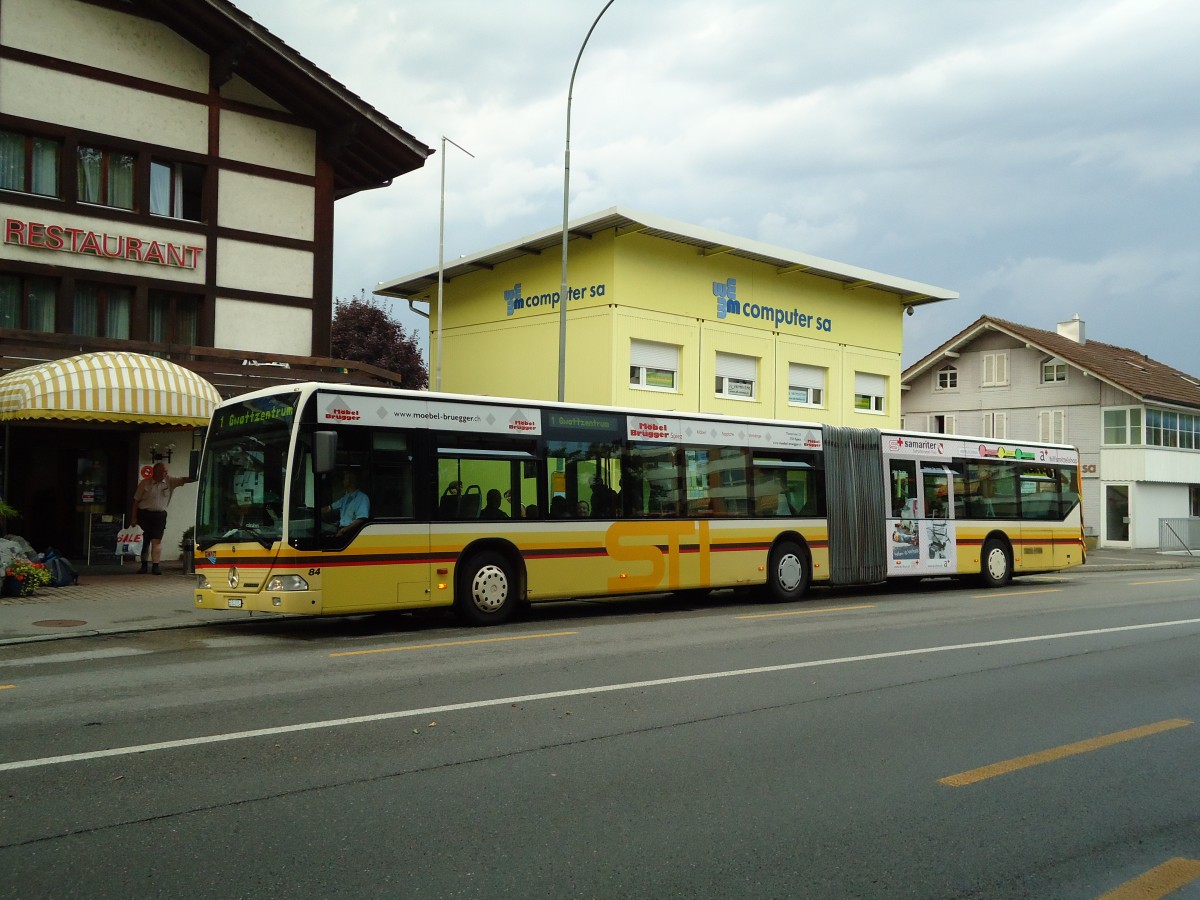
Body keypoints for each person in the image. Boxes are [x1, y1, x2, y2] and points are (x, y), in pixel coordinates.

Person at [131, 461, 194, 575]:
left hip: (159, 516)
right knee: (144, 541)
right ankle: (144, 565)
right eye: (163, 471)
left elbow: (184, 480)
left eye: (166, 472)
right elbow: (136, 501)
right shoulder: (145, 483)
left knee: (157, 540)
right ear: (155, 472)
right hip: (144, 514)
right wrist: (133, 518)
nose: (165, 474)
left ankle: (156, 565)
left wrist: (196, 474)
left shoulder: (170, 481)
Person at [324, 469, 370, 536]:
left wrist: (343, 530)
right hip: (342, 530)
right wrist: (317, 511)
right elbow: (329, 508)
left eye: (345, 479)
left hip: (352, 533)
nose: (343, 481)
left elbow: (360, 520)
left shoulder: (362, 498)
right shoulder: (345, 498)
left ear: (351, 482)